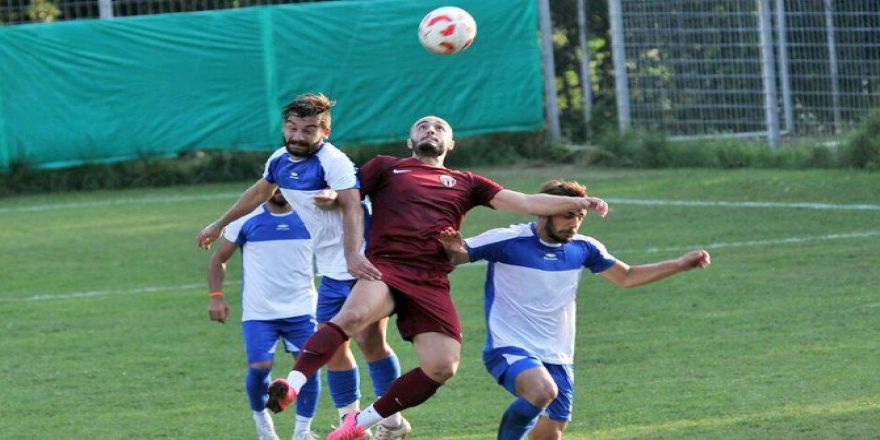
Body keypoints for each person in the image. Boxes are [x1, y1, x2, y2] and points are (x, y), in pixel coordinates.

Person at [266, 116, 610, 440]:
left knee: (442, 366)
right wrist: (333, 197)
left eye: (438, 126)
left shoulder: (468, 182)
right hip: (387, 267)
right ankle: (292, 383)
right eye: (423, 126)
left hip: (431, 279)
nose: (430, 128)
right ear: (410, 140)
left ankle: (360, 422)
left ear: (451, 143)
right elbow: (349, 193)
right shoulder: (386, 166)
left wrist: (581, 201)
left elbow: (523, 201)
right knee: (353, 316)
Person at [196, 93, 406, 438]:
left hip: (365, 263)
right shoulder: (279, 160)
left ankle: (392, 420)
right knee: (333, 346)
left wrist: (353, 253)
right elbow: (260, 192)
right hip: (332, 270)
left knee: (370, 342)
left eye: (308, 130)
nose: (297, 136)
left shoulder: (333, 162)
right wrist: (219, 223)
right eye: (292, 128)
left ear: (324, 131)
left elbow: (354, 207)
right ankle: (353, 423)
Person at [437, 179, 712, 440]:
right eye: (567, 215)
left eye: (579, 217)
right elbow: (459, 255)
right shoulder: (508, 240)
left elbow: (626, 276)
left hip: (558, 355)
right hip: (509, 347)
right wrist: (451, 250)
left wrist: (680, 264)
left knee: (551, 432)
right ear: (545, 212)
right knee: (542, 390)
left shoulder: (584, 248)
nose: (574, 224)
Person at [207, 189, 322, 440]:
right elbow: (219, 259)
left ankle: (302, 432)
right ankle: (264, 428)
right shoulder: (246, 218)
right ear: (267, 186)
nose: (280, 190)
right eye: (275, 184)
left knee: (309, 369)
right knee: (260, 367)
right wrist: (216, 297)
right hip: (259, 312)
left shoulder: (311, 217)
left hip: (302, 311)